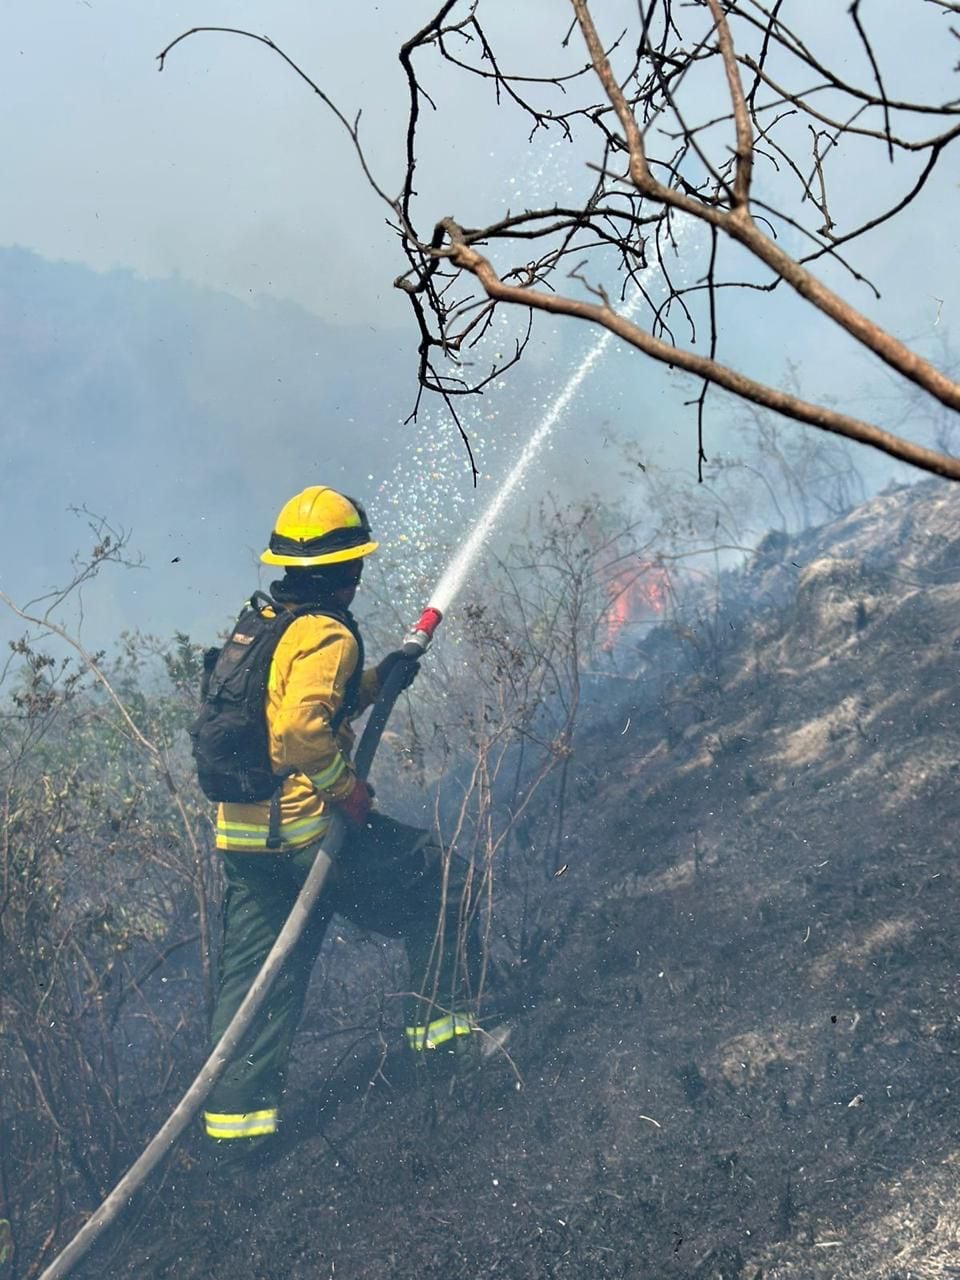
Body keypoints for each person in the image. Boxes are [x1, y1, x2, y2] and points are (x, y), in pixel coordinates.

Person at [201, 485, 479, 1158]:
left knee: (254, 988)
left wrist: (380, 678)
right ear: (349, 570)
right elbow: (300, 729)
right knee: (443, 885)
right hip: (306, 837)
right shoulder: (326, 632)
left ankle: (237, 1140)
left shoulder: (264, 623)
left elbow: (289, 702)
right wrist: (346, 791)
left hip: (245, 840)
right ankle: (445, 1050)